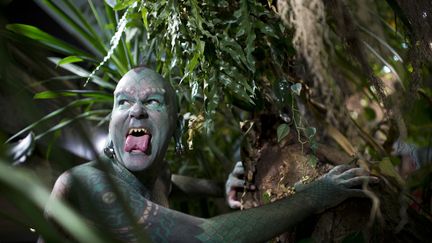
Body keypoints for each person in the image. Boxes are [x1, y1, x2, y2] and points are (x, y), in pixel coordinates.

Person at [43, 66, 378, 242]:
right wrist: (314, 197)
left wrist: (222, 186)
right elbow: (210, 237)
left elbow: (175, 183)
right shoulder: (90, 184)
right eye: (124, 101)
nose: (137, 111)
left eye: (153, 101)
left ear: (174, 128)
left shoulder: (156, 174)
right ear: (112, 121)